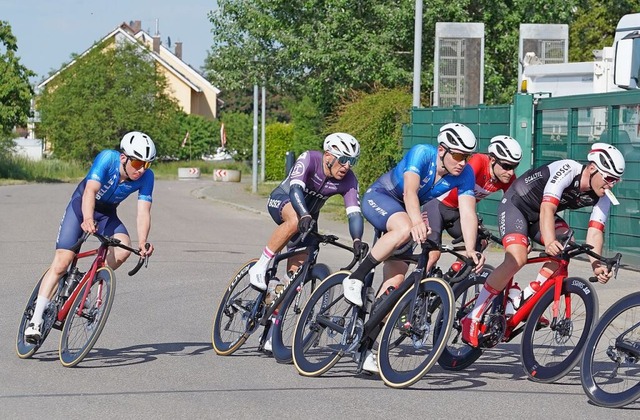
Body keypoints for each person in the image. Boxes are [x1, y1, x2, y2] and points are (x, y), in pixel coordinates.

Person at [341, 122, 486, 372]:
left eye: (468, 156)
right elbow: (409, 192)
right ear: (442, 150)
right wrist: (417, 222)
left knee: (394, 287)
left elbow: (468, 213)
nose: (463, 162)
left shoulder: (465, 174)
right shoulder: (423, 153)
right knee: (405, 228)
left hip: (405, 213)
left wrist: (471, 248)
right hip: (381, 198)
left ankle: (365, 347)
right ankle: (355, 277)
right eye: (459, 155)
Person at [461, 142, 626, 347]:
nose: (611, 184)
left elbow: (595, 231)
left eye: (616, 180)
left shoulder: (604, 195)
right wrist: (549, 242)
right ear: (592, 168)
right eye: (609, 178)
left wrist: (596, 265)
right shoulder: (567, 169)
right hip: (517, 206)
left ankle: (525, 297)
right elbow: (548, 208)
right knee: (518, 258)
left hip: (538, 216)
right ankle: (473, 316)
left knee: (567, 245)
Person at [25, 131, 157, 342]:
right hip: (81, 207)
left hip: (106, 213)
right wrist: (87, 218)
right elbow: (89, 192)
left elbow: (143, 212)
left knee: (124, 249)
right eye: (137, 163)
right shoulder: (107, 159)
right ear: (124, 157)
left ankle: (84, 284)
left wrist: (143, 243)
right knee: (62, 262)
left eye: (146, 164)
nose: (141, 169)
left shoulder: (147, 177)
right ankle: (36, 319)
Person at [248, 133, 366, 351]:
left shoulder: (349, 180)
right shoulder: (310, 159)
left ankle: (270, 334)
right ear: (328, 155)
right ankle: (261, 265)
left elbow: (354, 213)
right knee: (294, 221)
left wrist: (358, 239)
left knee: (292, 279)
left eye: (353, 161)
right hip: (285, 201)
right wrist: (302, 215)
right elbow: (295, 190)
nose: (347, 166)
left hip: (309, 216)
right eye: (343, 159)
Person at [422, 135, 523, 270]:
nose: (510, 172)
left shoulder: (506, 176)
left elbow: (514, 207)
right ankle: (416, 288)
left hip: (457, 212)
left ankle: (453, 278)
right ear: (492, 159)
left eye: (514, 166)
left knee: (480, 241)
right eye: (506, 166)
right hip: (438, 205)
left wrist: (520, 234)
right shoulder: (479, 162)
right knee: (433, 254)